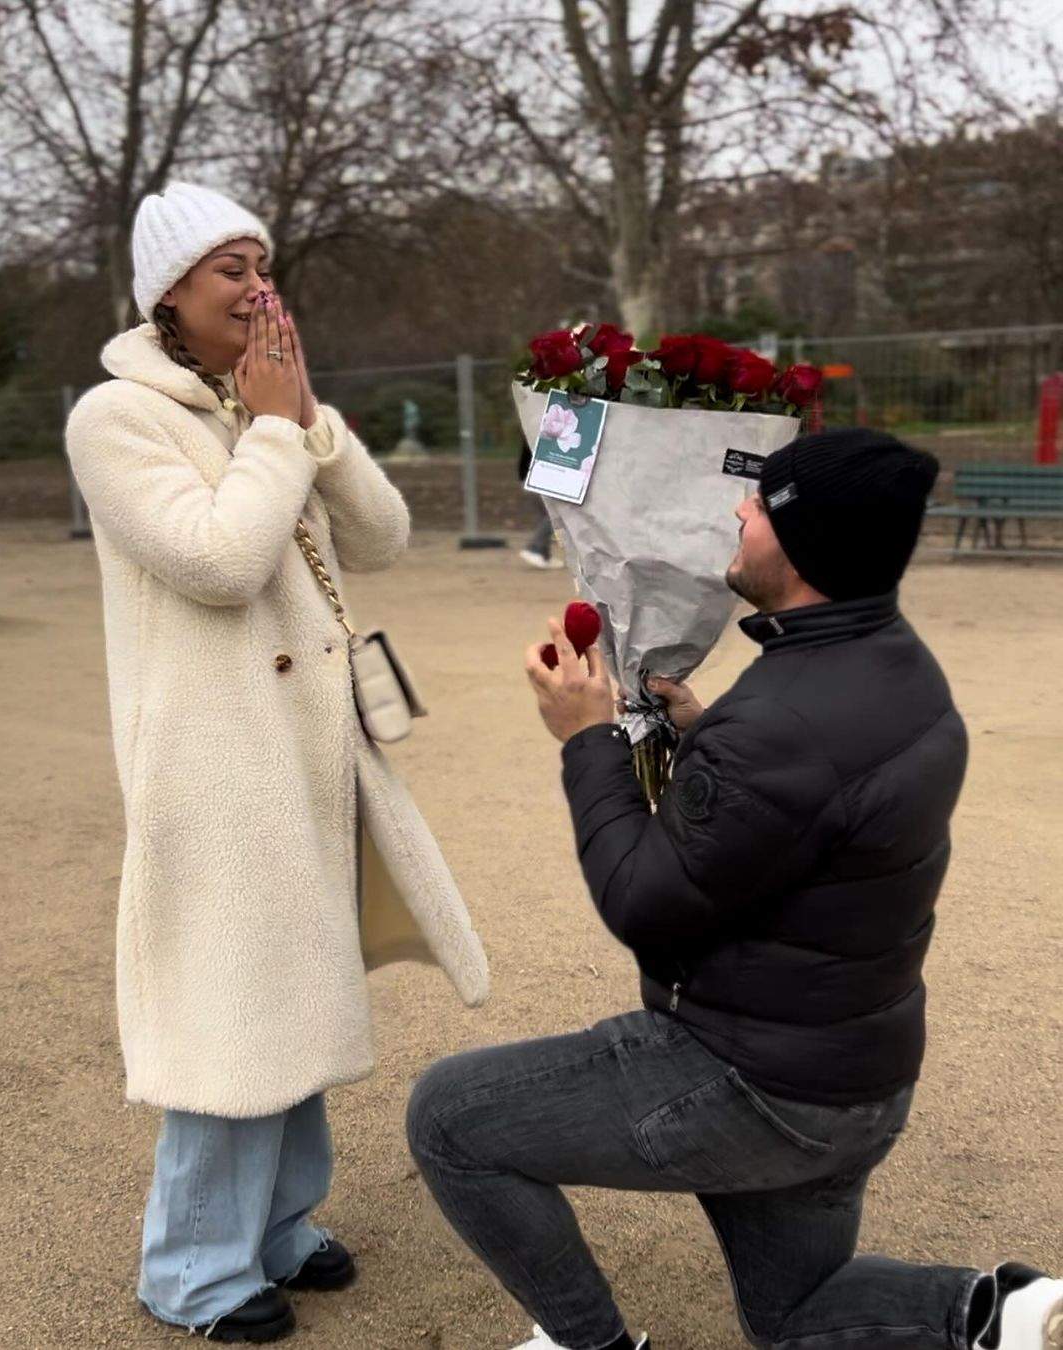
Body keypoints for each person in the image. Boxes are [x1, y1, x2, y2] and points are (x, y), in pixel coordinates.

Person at [407, 429, 1062, 1350]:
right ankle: (999, 1312)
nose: (739, 513)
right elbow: (814, 794)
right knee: (791, 1314)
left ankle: (589, 1345)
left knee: (448, 1117)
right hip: (853, 1079)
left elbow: (641, 902)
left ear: (803, 545)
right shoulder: (901, 668)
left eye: (760, 505)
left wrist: (586, 739)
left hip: (754, 1085)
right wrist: (708, 732)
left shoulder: (780, 722)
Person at [65, 182, 488, 1342]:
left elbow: (387, 538)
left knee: (297, 990)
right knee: (226, 1011)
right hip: (210, 764)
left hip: (308, 754)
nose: (259, 286)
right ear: (169, 294)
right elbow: (219, 562)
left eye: (263, 264)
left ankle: (282, 1227)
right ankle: (192, 1272)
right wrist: (268, 431)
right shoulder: (115, 417)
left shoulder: (265, 399)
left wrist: (306, 420)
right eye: (230, 270)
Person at [518, 433, 564, 569]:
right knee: (555, 514)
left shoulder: (534, 423)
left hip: (528, 475)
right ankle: (535, 548)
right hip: (538, 475)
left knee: (546, 515)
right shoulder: (546, 428)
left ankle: (543, 554)